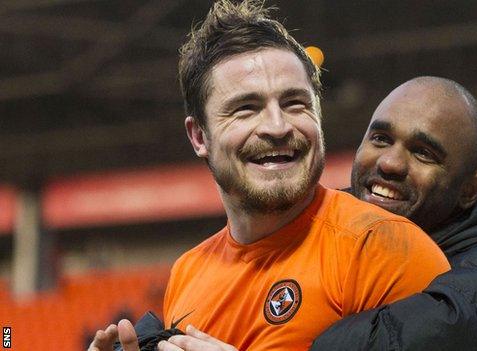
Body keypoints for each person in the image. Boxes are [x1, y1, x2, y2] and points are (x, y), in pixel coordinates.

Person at [88, 2, 450, 351]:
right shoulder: (188, 271)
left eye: (295, 103)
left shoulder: (385, 250)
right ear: (199, 136)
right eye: (246, 109)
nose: (277, 127)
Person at [310, 77, 477, 350]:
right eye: (381, 139)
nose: (390, 163)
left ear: (469, 190)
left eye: (423, 154)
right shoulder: (322, 223)